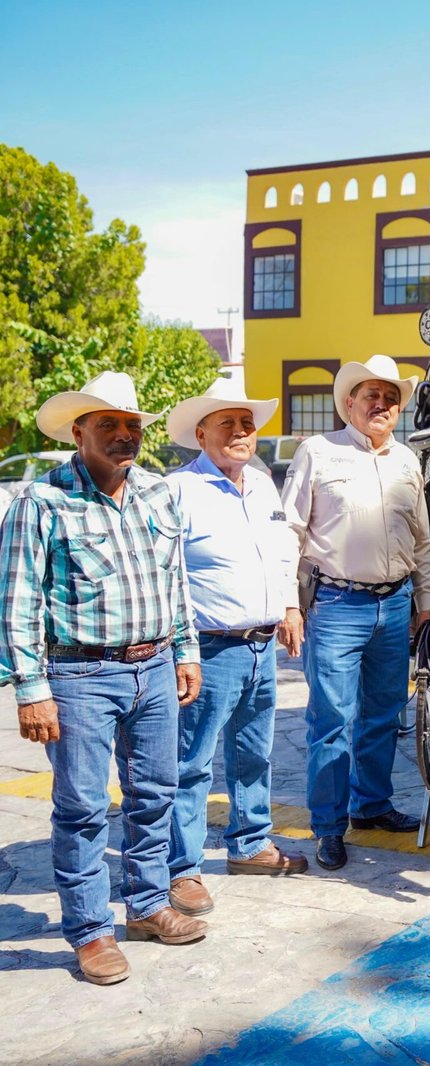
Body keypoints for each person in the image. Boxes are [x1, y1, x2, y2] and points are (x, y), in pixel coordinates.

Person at [0, 371, 206, 985]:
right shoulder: (42, 500)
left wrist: (186, 650)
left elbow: (175, 582)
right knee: (83, 808)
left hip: (155, 666)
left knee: (156, 794)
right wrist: (31, 689)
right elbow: (16, 601)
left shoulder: (157, 493)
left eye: (132, 425)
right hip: (79, 674)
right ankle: (90, 931)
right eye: (108, 424)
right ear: (78, 431)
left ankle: (147, 906)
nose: (124, 435)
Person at [281, 355, 430, 872]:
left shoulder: (407, 461)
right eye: (371, 395)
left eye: (390, 398)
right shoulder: (318, 452)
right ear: (349, 402)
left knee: (384, 714)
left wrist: (425, 603)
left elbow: (421, 540)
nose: (381, 405)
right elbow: (290, 532)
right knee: (332, 721)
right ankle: (329, 827)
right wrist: (289, 604)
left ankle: (371, 804)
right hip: (336, 605)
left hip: (394, 604)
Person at [163, 377, 309, 918]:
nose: (241, 431)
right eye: (227, 422)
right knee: (192, 763)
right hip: (208, 648)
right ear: (201, 434)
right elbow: (169, 574)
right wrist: (182, 650)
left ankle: (249, 844)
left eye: (247, 423)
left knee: (254, 753)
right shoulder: (179, 490)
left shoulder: (264, 485)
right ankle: (181, 868)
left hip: (260, 646)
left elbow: (281, 553)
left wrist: (290, 607)